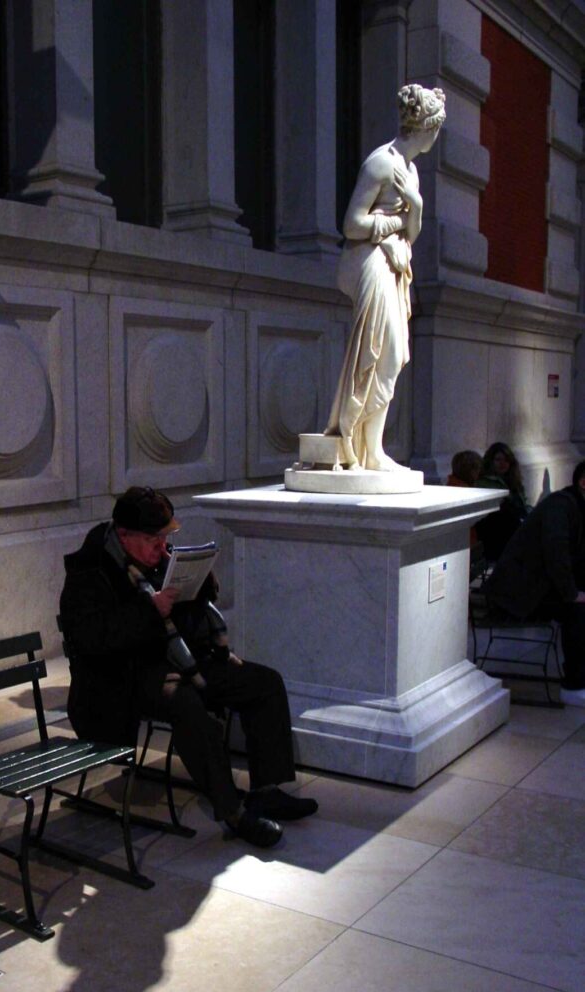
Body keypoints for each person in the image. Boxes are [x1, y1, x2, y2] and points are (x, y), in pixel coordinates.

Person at [59, 486, 318, 848]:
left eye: (166, 539)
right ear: (123, 535)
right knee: (185, 703)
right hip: (118, 680)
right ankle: (234, 812)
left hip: (177, 659)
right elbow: (91, 641)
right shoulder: (90, 572)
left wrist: (199, 588)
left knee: (264, 683)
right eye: (154, 539)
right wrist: (150, 612)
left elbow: (182, 623)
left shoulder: (156, 561)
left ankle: (266, 789)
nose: (162, 548)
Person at [323, 84, 446, 472]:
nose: (436, 135)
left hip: (394, 264)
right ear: (426, 129)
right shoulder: (381, 163)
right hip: (370, 263)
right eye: (436, 128)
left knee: (392, 356)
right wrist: (391, 229)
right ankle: (360, 447)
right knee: (378, 350)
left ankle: (372, 449)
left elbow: (412, 233)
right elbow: (351, 224)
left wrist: (417, 205)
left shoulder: (410, 171)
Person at [486, 460, 585, 706]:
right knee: (578, 610)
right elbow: (556, 554)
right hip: (518, 593)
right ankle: (574, 685)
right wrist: (572, 594)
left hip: (540, 587)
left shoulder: (576, 507)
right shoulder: (561, 506)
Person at [475, 442, 530, 561]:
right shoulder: (484, 483)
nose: (502, 464)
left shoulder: (514, 482)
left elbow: (523, 505)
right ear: (491, 461)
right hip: (496, 531)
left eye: (506, 460)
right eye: (498, 460)